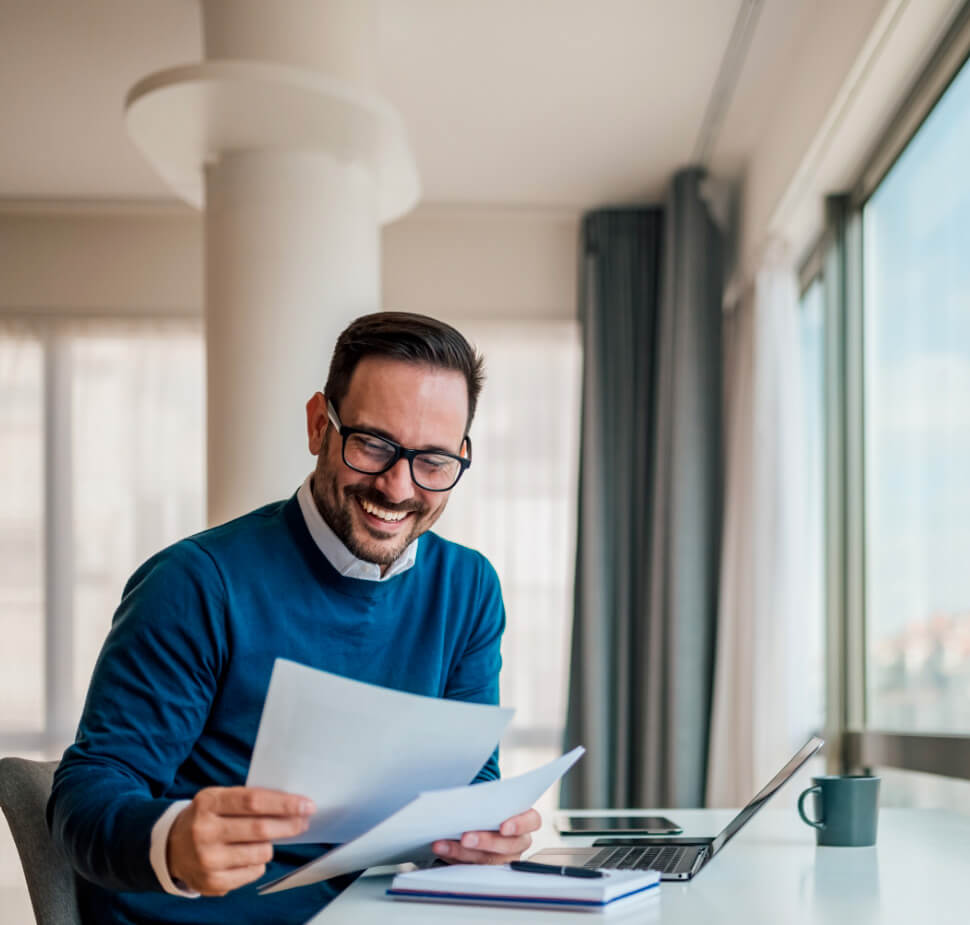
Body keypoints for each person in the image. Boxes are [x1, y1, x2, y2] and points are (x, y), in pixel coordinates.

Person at [48, 312, 541, 924]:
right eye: (373, 445)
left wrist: (481, 834)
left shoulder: (468, 589)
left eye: (434, 462)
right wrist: (172, 840)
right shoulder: (195, 582)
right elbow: (88, 791)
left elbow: (467, 784)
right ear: (318, 425)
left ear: (462, 457)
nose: (397, 488)